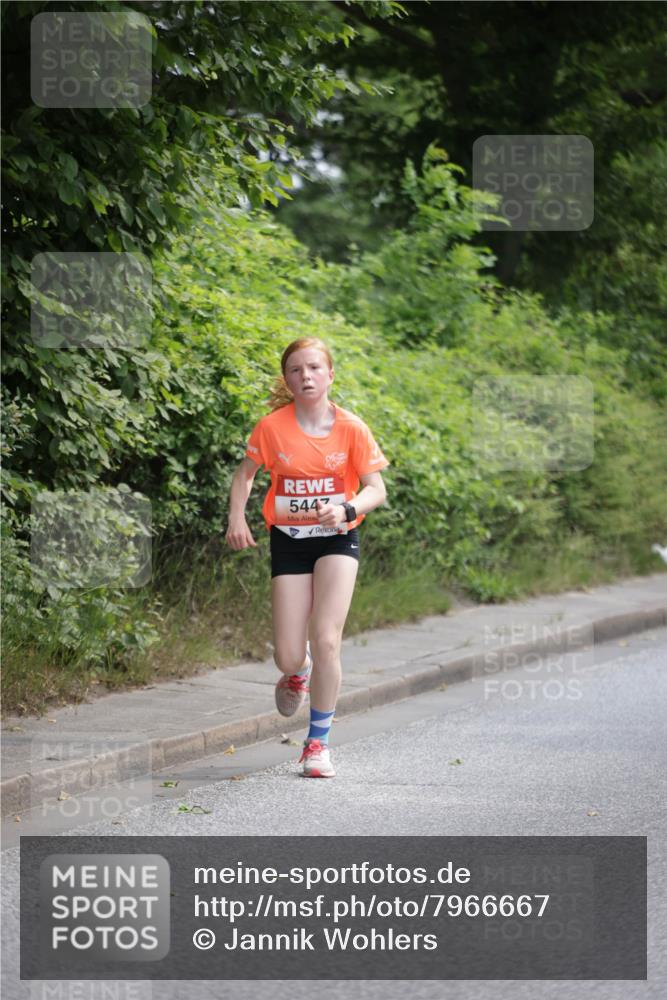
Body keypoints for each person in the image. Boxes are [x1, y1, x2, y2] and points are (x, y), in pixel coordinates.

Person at [225, 337, 389, 778]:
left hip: (338, 537)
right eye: (296, 370)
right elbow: (244, 477)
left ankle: (317, 744)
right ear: (287, 380)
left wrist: (347, 509)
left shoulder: (352, 428)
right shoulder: (272, 427)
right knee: (287, 653)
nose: (306, 377)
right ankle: (298, 671)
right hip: (290, 540)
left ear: (330, 374)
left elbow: (377, 489)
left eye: (315, 368)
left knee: (327, 636)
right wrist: (237, 517)